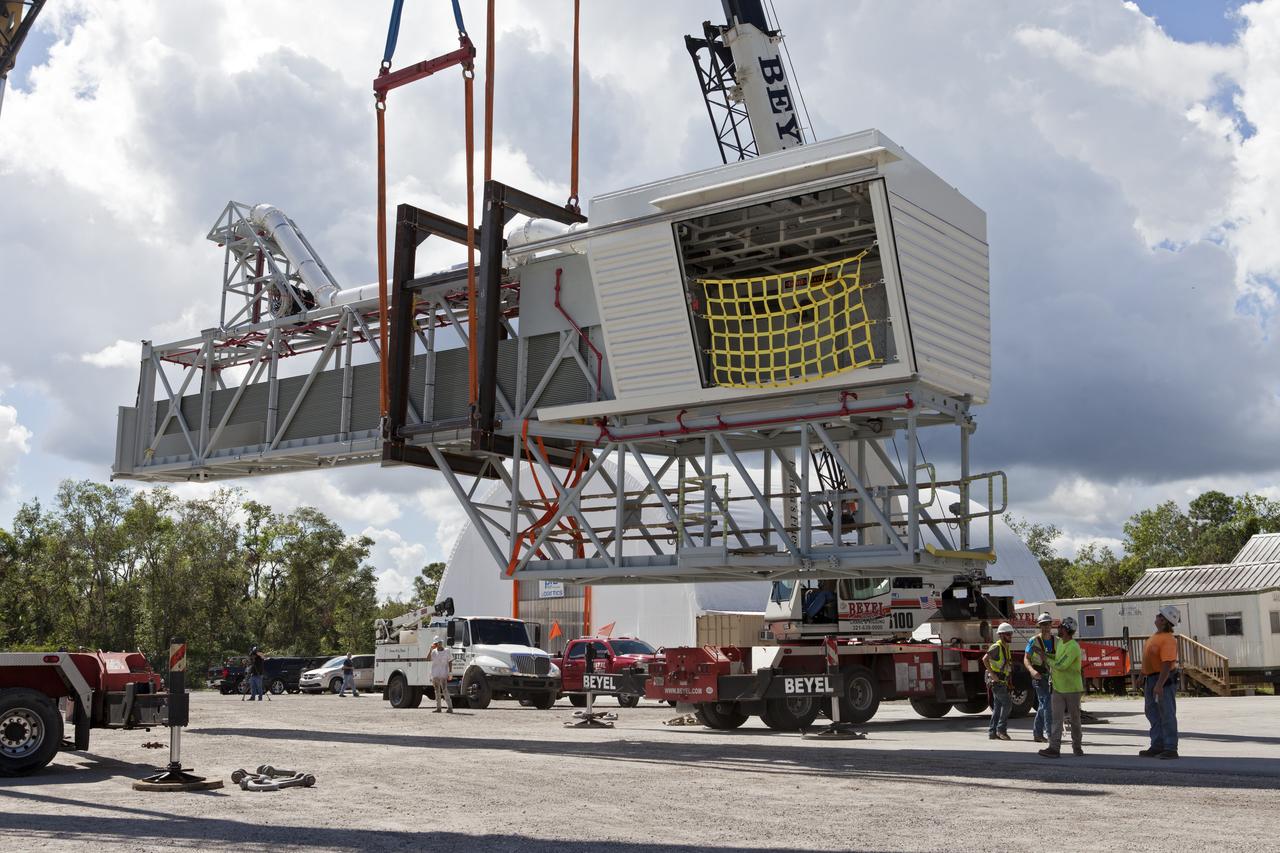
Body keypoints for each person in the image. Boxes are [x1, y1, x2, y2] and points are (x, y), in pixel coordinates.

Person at [1139, 604, 1181, 759]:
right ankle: (1157, 745)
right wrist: (1142, 675)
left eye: (1159, 615)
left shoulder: (1168, 640)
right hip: (1151, 678)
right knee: (1152, 712)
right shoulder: (1155, 637)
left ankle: (1170, 747)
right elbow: (1149, 659)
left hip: (1163, 679)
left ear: (1164, 621)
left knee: (1166, 713)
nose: (1156, 617)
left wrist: (1159, 684)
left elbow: (1167, 663)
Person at [1039, 617, 1083, 758]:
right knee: (1056, 719)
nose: (1058, 629)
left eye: (1060, 627)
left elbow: (1061, 665)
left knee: (1075, 720)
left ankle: (1077, 747)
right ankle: (1054, 748)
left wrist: (1045, 658)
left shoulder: (1073, 647)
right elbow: (1057, 657)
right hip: (1058, 688)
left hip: (1072, 689)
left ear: (1066, 630)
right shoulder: (1061, 644)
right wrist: (1044, 653)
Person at [1023, 613, 1057, 743]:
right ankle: (1050, 735)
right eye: (1043, 625)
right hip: (1039, 677)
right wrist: (1032, 671)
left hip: (1052, 677)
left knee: (1044, 705)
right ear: (1039, 626)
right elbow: (1026, 658)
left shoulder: (1057, 641)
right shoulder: (1034, 641)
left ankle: (1037, 734)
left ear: (1051, 625)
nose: (1046, 627)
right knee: (1047, 704)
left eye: (1047, 624)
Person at [982, 622, 1015, 740]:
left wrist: (1009, 680)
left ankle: (992, 732)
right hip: (997, 682)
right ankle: (1001, 730)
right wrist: (992, 674)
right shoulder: (997, 647)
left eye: (1011, 634)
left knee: (997, 708)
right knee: (1007, 704)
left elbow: (1007, 666)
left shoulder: (1006, 647)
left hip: (1002, 682)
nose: (1010, 636)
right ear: (1001, 635)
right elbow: (985, 659)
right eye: (1008, 634)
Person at [428, 639, 453, 713]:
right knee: (437, 691)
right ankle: (438, 707)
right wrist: (430, 650)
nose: (437, 644)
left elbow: (450, 661)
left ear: (441, 643)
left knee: (445, 690)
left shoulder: (446, 651)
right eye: (436, 643)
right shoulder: (434, 652)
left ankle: (450, 707)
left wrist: (450, 672)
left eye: (438, 643)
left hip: (443, 674)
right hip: (435, 674)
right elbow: (428, 659)